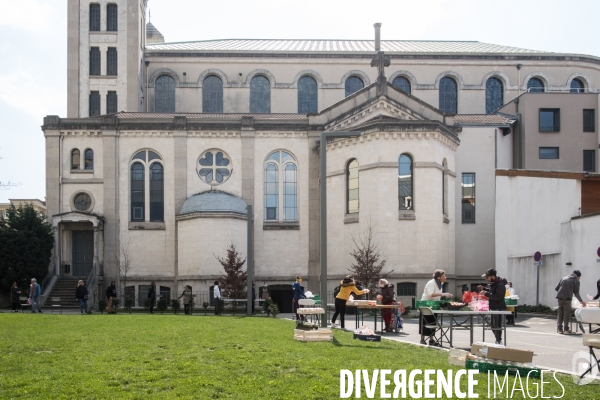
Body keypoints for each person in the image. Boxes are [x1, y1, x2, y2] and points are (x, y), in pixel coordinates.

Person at [420, 270, 452, 345]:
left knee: (433, 322)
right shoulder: (431, 283)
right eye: (443, 276)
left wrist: (444, 295)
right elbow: (431, 294)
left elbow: (437, 294)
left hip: (434, 305)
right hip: (426, 305)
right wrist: (443, 294)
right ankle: (422, 339)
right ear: (438, 277)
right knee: (425, 323)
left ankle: (431, 340)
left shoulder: (440, 283)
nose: (445, 277)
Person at [479, 268, 507, 344]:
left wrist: (486, 293)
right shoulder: (495, 283)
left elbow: (498, 296)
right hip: (494, 307)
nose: (486, 279)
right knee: (493, 326)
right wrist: (484, 289)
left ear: (493, 276)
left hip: (498, 307)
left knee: (497, 326)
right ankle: (498, 340)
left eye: (487, 277)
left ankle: (499, 341)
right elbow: (492, 291)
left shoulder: (500, 284)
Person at [555, 270, 586, 334]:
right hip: (567, 299)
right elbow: (576, 293)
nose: (579, 279)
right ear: (578, 276)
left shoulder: (563, 278)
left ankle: (560, 329)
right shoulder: (576, 281)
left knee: (560, 314)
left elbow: (556, 288)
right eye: (579, 277)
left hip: (559, 298)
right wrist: (581, 301)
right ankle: (566, 329)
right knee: (567, 314)